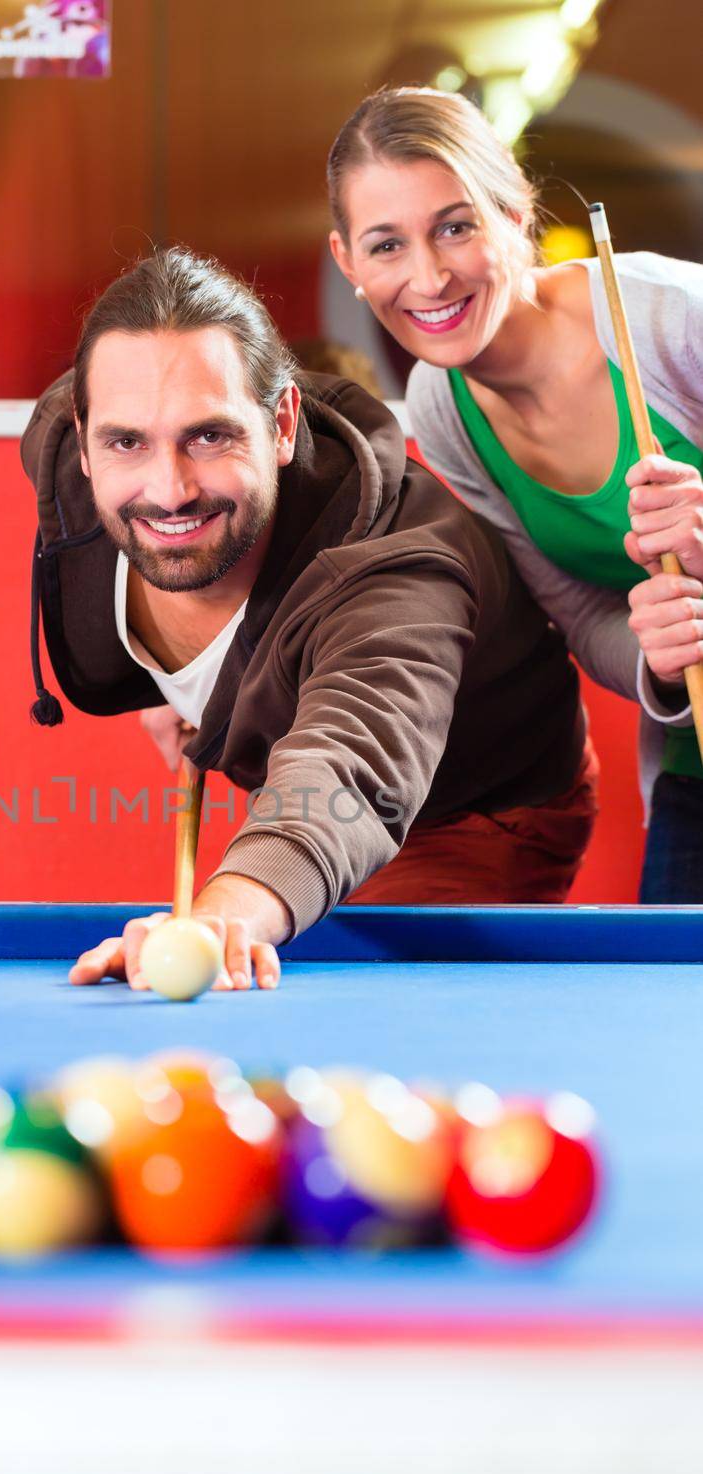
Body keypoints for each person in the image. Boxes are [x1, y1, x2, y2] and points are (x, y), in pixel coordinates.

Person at [21, 246, 591, 990]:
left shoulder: (398, 570)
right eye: (127, 441)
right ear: (83, 437)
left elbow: (347, 774)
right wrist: (178, 681)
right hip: (298, 776)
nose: (168, 489)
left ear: (282, 423)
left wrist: (222, 913)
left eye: (210, 436)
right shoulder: (67, 447)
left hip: (469, 809)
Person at [325, 86, 703, 902]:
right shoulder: (441, 408)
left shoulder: (671, 319)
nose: (427, 277)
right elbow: (582, 614)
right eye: (386, 245)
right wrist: (662, 669)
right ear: (346, 263)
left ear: (514, 212)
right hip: (694, 776)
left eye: (455, 227)